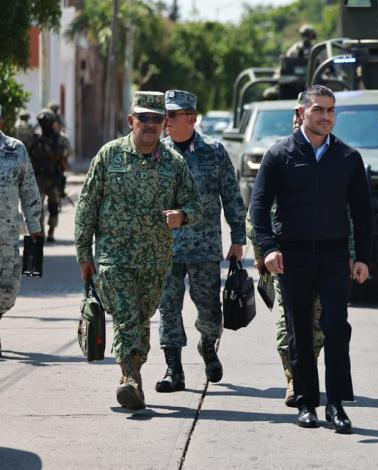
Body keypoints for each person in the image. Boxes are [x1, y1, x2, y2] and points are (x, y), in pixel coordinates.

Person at [250, 85, 373, 433]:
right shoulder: (279, 154)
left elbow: (362, 213)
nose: (326, 117)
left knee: (336, 327)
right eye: (318, 110)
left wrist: (362, 256)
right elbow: (259, 206)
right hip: (293, 255)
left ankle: (336, 405)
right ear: (302, 112)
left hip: (334, 254)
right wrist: (268, 248)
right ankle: (306, 403)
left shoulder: (348, 158)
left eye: (331, 110)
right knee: (299, 330)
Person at [75, 91, 203, 410]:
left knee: (142, 317)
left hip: (155, 260)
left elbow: (195, 205)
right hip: (113, 258)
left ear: (164, 125)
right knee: (127, 316)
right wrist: (83, 254)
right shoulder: (109, 156)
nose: (149, 125)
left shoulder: (174, 164)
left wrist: (182, 216)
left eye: (156, 119)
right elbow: (87, 205)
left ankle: (135, 373)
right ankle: (129, 379)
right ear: (131, 121)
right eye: (143, 118)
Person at [154, 90, 246, 393]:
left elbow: (231, 196)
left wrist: (238, 238)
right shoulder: (156, 151)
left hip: (204, 246)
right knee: (168, 308)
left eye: (172, 114)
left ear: (191, 118)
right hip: (166, 247)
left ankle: (208, 346)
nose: (165, 120)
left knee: (208, 309)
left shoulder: (214, 151)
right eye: (165, 114)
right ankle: (173, 368)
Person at [246, 93, 325, 408]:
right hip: (284, 253)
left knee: (317, 320)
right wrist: (262, 250)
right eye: (301, 112)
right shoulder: (278, 155)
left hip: (322, 253)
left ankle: (307, 371)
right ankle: (294, 379)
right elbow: (258, 209)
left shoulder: (329, 154)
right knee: (289, 318)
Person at [0, 106, 43, 357]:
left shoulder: (15, 149)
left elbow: (28, 188)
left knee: (8, 290)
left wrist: (34, 226)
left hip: (7, 234)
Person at [27, 109, 69, 242]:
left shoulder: (57, 138)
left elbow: (65, 154)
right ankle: (45, 232)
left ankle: (48, 232)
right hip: (41, 177)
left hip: (50, 178)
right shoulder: (36, 138)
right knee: (44, 206)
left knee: (51, 206)